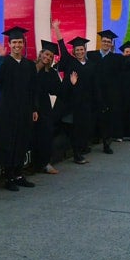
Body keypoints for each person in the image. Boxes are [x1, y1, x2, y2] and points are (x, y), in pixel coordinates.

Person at [0, 27, 38, 191]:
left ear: (23, 44)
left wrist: (34, 108)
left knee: (22, 141)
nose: (17, 45)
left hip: (24, 110)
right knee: (8, 141)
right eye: (14, 42)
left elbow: (34, 89)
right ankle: (8, 177)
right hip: (6, 110)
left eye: (19, 42)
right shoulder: (4, 62)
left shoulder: (29, 65)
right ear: (9, 44)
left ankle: (19, 174)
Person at [53, 20, 95, 165]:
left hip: (83, 103)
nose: (79, 52)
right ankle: (75, 154)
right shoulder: (71, 62)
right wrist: (56, 29)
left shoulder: (91, 66)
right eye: (77, 50)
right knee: (69, 127)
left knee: (80, 129)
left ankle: (78, 151)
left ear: (85, 50)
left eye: (81, 49)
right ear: (74, 51)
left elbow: (92, 86)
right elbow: (62, 47)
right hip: (69, 103)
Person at [33, 40, 76, 175]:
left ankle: (45, 163)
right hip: (28, 105)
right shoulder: (29, 67)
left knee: (46, 135)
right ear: (40, 54)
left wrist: (70, 83)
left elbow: (59, 90)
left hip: (43, 106)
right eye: (46, 54)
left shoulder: (51, 73)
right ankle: (31, 165)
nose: (47, 58)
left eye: (50, 56)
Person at [86, 29, 124, 153]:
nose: (106, 43)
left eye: (108, 41)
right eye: (104, 41)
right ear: (100, 42)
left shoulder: (116, 58)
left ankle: (106, 145)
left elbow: (129, 61)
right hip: (93, 92)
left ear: (112, 44)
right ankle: (88, 144)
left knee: (107, 120)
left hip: (108, 95)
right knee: (91, 118)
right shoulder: (92, 55)